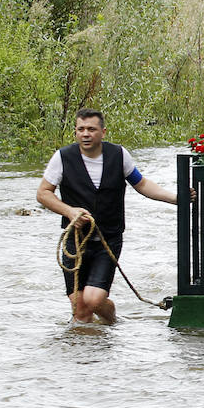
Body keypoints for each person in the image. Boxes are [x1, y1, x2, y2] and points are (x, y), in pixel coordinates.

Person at [36, 109, 178, 322]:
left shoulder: (119, 155)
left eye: (91, 129)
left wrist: (175, 198)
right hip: (75, 241)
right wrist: (69, 211)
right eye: (81, 129)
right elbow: (43, 193)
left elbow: (142, 184)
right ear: (75, 132)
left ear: (103, 132)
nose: (85, 134)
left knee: (93, 300)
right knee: (80, 308)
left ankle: (111, 322)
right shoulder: (62, 157)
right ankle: (89, 353)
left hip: (108, 239)